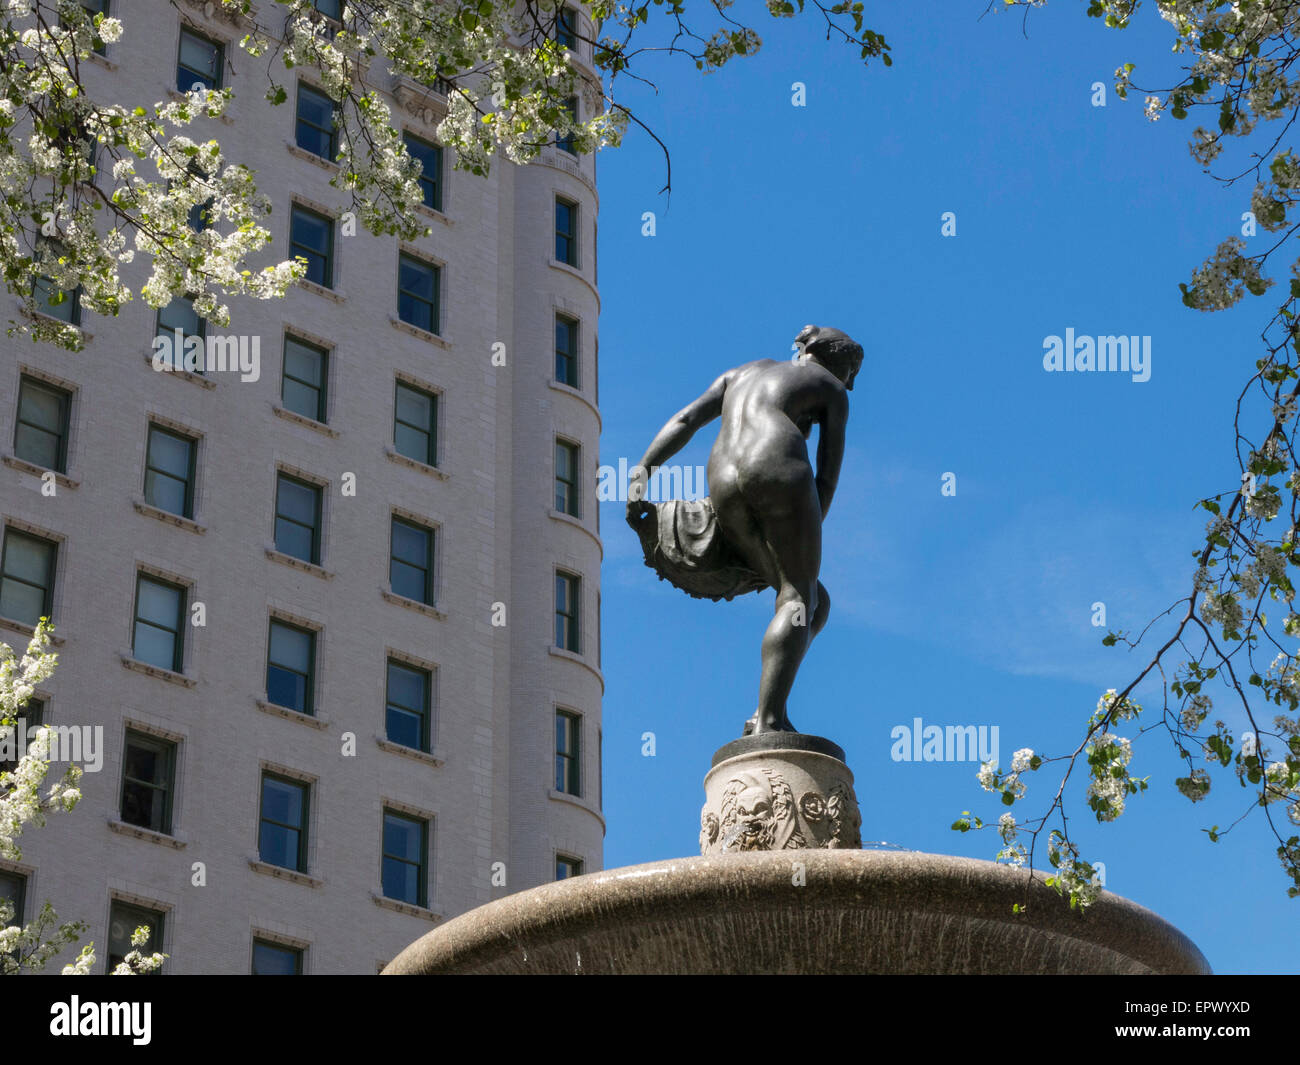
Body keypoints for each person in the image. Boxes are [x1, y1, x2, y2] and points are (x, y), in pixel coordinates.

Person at [626, 324, 863, 735]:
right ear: (839, 364)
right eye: (851, 375)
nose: (850, 385)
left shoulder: (741, 373)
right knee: (800, 597)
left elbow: (686, 419)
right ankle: (770, 720)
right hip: (776, 463)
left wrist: (641, 474)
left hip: (722, 476)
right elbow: (827, 477)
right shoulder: (831, 389)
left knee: (814, 604)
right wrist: (806, 529)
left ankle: (764, 711)